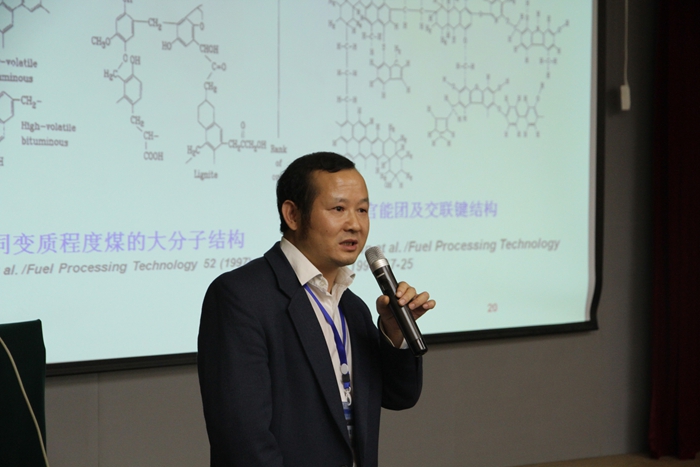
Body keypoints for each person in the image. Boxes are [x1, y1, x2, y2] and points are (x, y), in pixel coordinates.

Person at [197, 152, 435, 467]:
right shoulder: (240, 297)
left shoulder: (353, 307)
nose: (355, 224)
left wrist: (394, 332)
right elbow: (242, 440)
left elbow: (399, 396)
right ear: (293, 215)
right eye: (338, 209)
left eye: (362, 210)